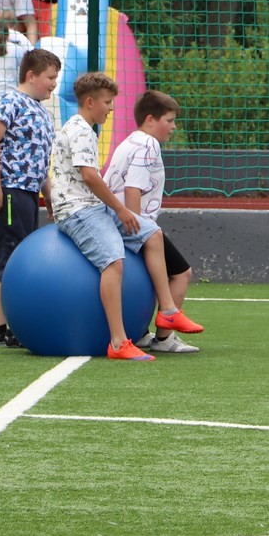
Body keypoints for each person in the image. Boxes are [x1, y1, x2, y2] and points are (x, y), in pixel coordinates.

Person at [51, 72, 204, 361]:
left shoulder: (84, 129)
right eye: (107, 102)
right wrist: (121, 210)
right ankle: (119, 342)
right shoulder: (81, 130)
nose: (111, 108)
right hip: (79, 210)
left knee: (152, 233)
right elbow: (90, 176)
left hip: (89, 206)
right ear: (90, 102)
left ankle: (168, 311)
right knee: (113, 261)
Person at [102, 89, 200, 353]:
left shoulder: (129, 141)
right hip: (132, 225)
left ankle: (143, 333)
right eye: (169, 120)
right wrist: (137, 231)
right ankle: (165, 338)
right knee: (181, 273)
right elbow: (132, 189)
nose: (173, 127)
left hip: (113, 221)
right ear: (150, 119)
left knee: (150, 274)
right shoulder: (148, 144)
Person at [0, 47, 61, 348]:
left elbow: (38, 159)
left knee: (18, 256)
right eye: (50, 77)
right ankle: (10, 327)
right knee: (12, 258)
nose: (54, 84)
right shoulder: (9, 101)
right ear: (31, 75)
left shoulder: (40, 111)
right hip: (9, 190)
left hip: (26, 192)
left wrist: (48, 196)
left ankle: (5, 326)